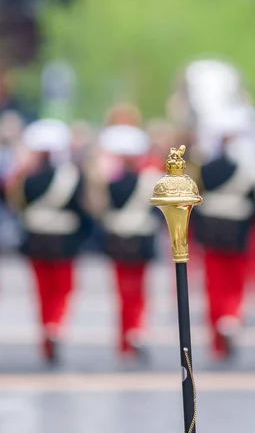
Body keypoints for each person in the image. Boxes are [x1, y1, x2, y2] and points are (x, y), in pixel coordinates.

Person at [6, 119, 91, 364]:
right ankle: (56, 325)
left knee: (42, 291)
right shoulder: (71, 175)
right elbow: (81, 210)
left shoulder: (25, 177)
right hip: (64, 239)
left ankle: (46, 334)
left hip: (35, 238)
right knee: (63, 289)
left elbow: (16, 205)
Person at [193, 112, 255, 360]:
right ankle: (231, 317)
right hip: (237, 229)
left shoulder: (204, 167)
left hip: (210, 229)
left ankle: (217, 339)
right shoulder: (248, 169)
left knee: (213, 283)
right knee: (235, 281)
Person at [94, 125, 161, 359]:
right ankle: (137, 330)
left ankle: (124, 340)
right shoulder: (151, 178)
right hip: (141, 237)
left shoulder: (108, 180)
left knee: (123, 292)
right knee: (140, 290)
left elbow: (97, 207)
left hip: (117, 238)